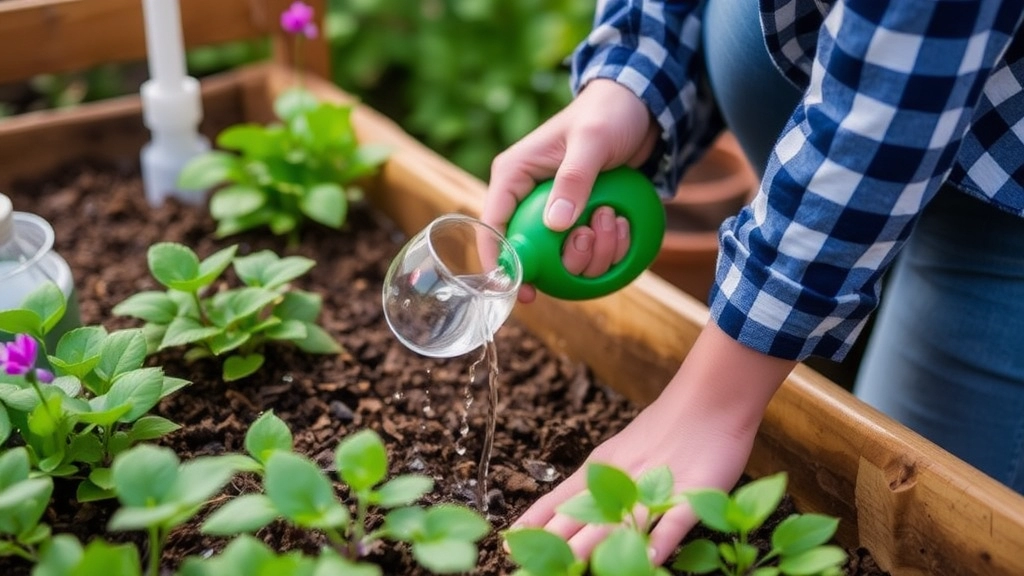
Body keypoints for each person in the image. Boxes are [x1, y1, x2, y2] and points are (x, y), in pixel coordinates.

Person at [482, 0, 1024, 566]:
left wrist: (714, 398)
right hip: (797, 56)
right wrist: (633, 74)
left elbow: (895, 89)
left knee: (921, 535)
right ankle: (827, 317)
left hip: (1000, 174)